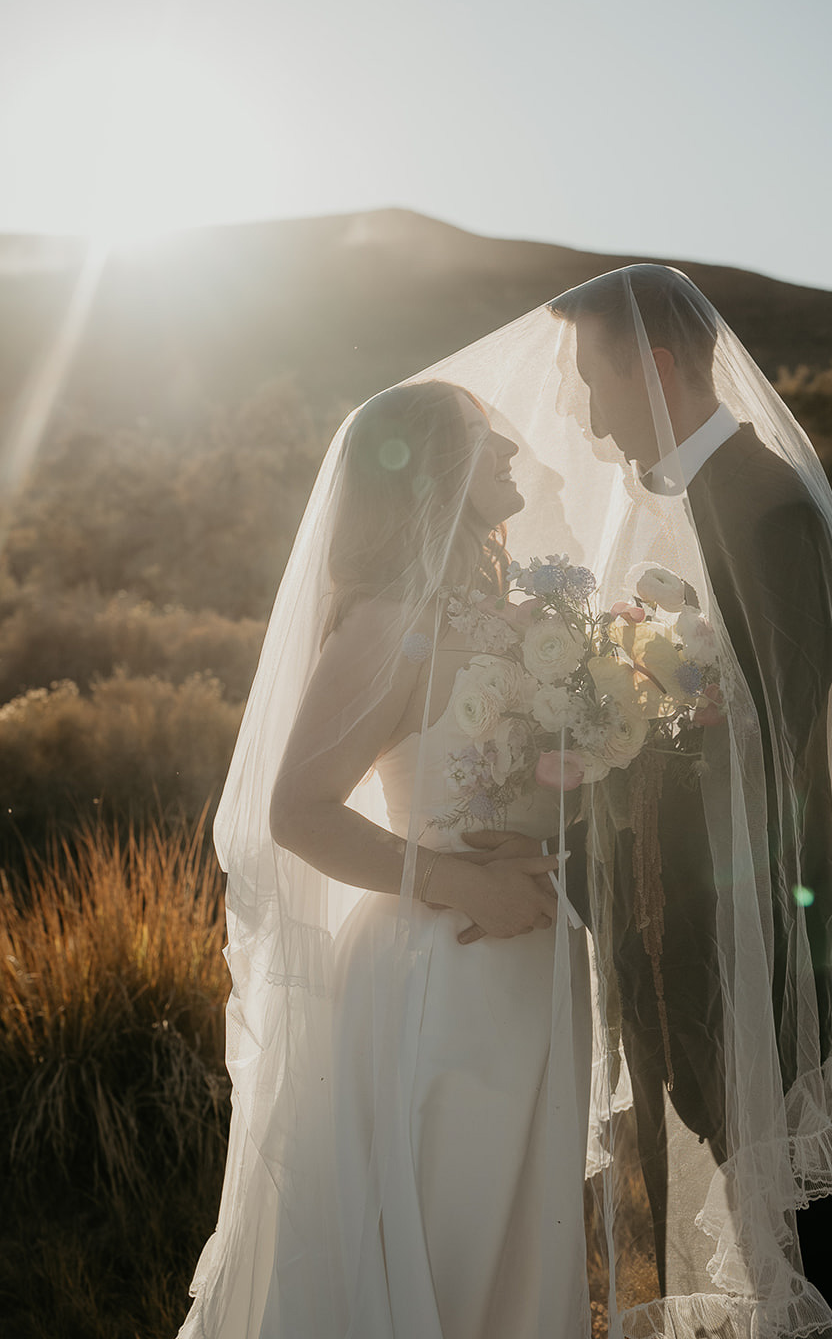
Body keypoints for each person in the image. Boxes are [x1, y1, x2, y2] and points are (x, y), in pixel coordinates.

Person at [466, 264, 832, 1339]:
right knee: (757, 1207)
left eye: (596, 385)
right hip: (678, 921)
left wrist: (619, 738)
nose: (590, 421)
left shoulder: (764, 505)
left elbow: (774, 741)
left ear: (653, 370)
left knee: (798, 1210)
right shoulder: (696, 498)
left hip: (763, 926)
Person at [177, 379, 593, 1339]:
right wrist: (465, 881)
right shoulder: (383, 619)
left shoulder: (514, 613)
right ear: (438, 470)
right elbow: (296, 811)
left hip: (535, 971)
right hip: (434, 975)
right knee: (435, 1244)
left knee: (514, 1251)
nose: (512, 456)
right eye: (488, 443)